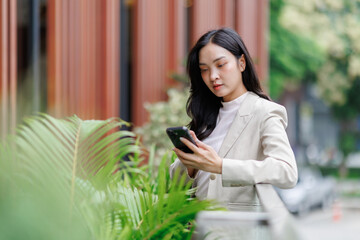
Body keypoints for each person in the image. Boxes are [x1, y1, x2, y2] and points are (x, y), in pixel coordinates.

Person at [169, 28, 298, 209]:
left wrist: (221, 166)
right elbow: (175, 184)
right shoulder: (205, 117)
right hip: (194, 230)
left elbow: (287, 172)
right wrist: (191, 165)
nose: (212, 76)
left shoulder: (265, 112)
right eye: (204, 70)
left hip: (234, 230)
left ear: (242, 63)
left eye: (220, 65)